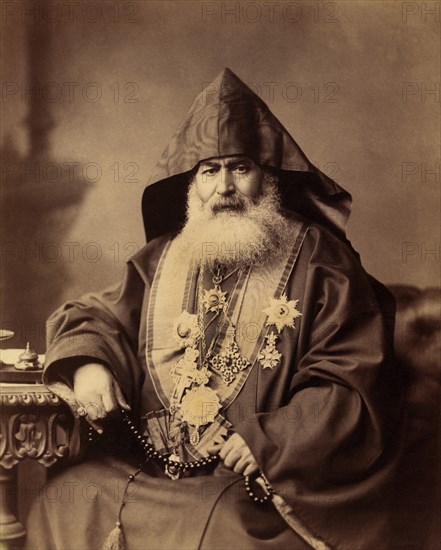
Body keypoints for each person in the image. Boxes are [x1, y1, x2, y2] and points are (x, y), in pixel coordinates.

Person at [26, 68, 402, 550]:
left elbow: (351, 379)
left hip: (257, 477)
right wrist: (90, 365)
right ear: (193, 185)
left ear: (268, 178)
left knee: (223, 526)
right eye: (210, 170)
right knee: (65, 499)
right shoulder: (161, 258)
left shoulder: (321, 261)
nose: (224, 186)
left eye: (239, 168)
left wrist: (267, 441)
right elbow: (94, 317)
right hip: (155, 466)